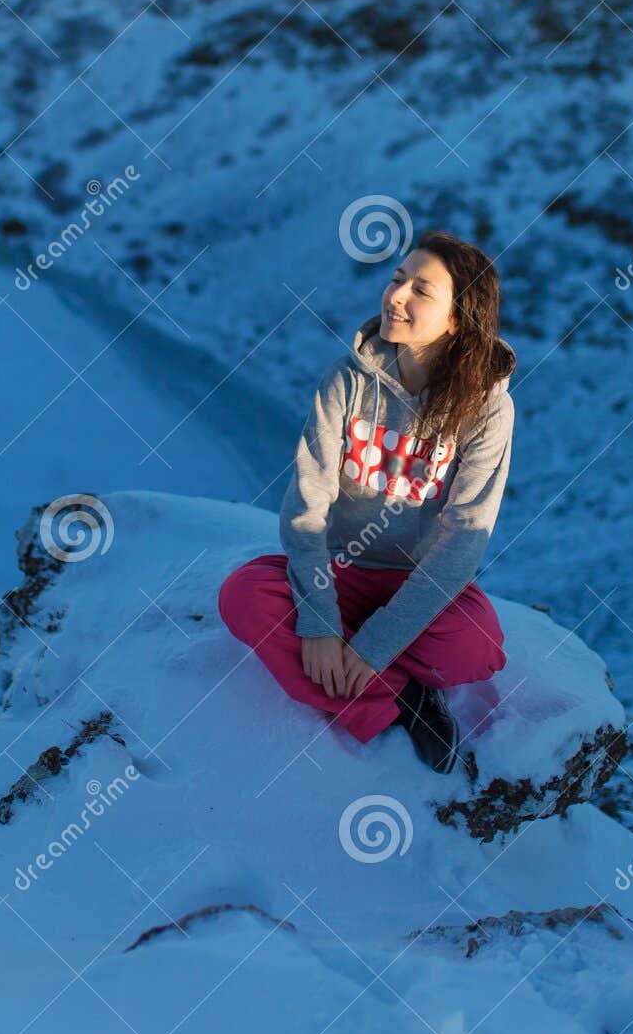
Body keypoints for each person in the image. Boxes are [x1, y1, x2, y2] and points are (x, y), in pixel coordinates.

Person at [218, 229, 515, 774]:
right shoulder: (347, 383)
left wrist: (373, 646)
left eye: (421, 290)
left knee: (476, 647)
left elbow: (461, 543)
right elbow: (306, 510)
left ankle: (359, 676)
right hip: (340, 571)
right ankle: (400, 702)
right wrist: (319, 625)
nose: (396, 296)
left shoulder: (489, 410)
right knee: (243, 596)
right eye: (397, 279)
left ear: (458, 319)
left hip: (420, 585)